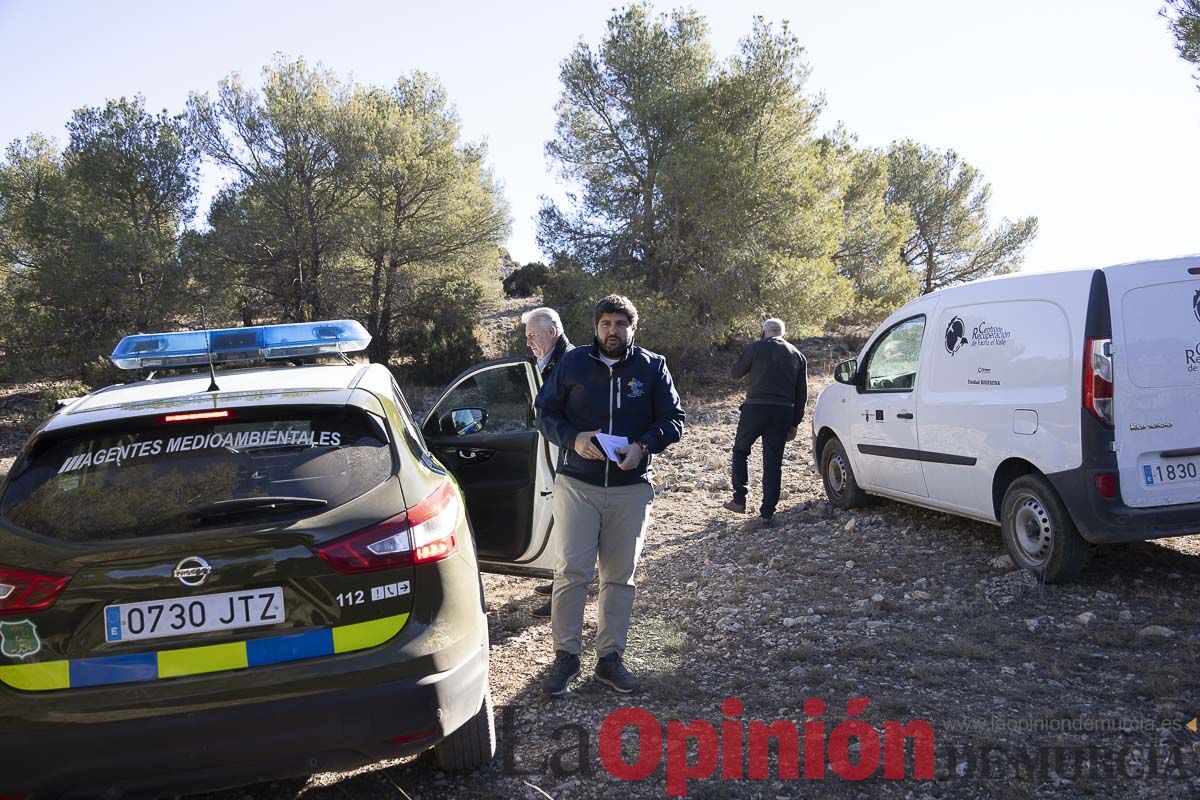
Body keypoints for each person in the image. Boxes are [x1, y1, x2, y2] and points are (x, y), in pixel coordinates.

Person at [535, 294, 684, 696]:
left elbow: (674, 419)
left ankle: (609, 659)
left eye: (621, 324)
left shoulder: (652, 366)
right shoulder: (572, 363)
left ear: (633, 328)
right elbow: (544, 413)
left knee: (619, 577)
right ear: (595, 327)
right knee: (572, 572)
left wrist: (645, 445)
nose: (612, 331)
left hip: (630, 490)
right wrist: (573, 437)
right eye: (605, 323)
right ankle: (566, 657)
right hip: (577, 485)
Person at [724, 317, 808, 528]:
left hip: (755, 409)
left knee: (741, 451)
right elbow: (802, 395)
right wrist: (795, 423)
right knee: (773, 463)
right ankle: (767, 514)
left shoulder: (756, 347)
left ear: (764, 332)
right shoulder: (798, 355)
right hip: (782, 412)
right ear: (784, 334)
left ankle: (739, 499)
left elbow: (735, 373)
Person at [520, 307, 573, 618]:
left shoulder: (569, 361)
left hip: (566, 451)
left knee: (567, 523)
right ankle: (558, 581)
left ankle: (564, 595)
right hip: (557, 448)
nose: (528, 342)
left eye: (532, 336)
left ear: (552, 331)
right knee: (559, 519)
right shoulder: (552, 360)